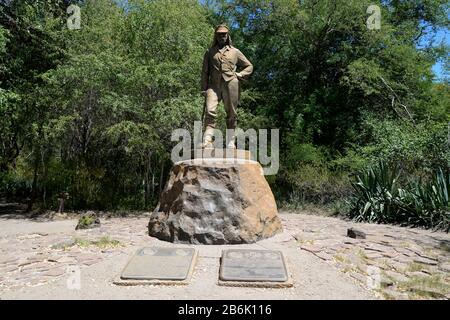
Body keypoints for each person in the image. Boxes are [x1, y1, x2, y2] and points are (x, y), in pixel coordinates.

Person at [200, 24, 253, 148]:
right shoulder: (210, 52)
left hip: (231, 83)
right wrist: (203, 88)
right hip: (214, 86)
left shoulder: (235, 52)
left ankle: (230, 141)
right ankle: (207, 139)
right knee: (210, 110)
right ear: (216, 36)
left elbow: (249, 66)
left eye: (224, 34)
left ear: (227, 35)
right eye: (219, 34)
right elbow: (205, 72)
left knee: (231, 113)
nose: (221, 36)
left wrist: (240, 74)